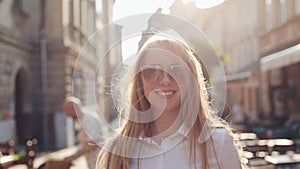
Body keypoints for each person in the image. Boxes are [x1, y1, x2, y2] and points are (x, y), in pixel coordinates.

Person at [97, 32, 243, 168]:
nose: (165, 81)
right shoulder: (117, 149)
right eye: (153, 71)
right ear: (140, 81)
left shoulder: (220, 142)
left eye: (176, 70)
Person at [62, 96, 107, 169]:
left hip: (98, 161)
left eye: (67, 111)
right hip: (92, 161)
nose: (67, 115)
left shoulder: (88, 119)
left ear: (73, 108)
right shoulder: (80, 121)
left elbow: (93, 142)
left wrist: (75, 156)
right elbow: (85, 143)